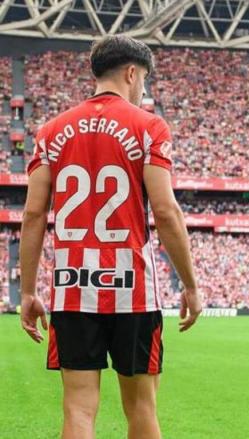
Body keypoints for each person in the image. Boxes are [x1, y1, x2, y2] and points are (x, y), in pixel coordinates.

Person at [19, 36, 202, 439]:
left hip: (72, 288)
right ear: (132, 73)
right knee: (141, 407)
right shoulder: (149, 126)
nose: (143, 91)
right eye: (144, 82)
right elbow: (167, 212)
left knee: (79, 410)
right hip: (132, 289)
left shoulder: (50, 131)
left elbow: (33, 214)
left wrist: (28, 291)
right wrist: (190, 284)